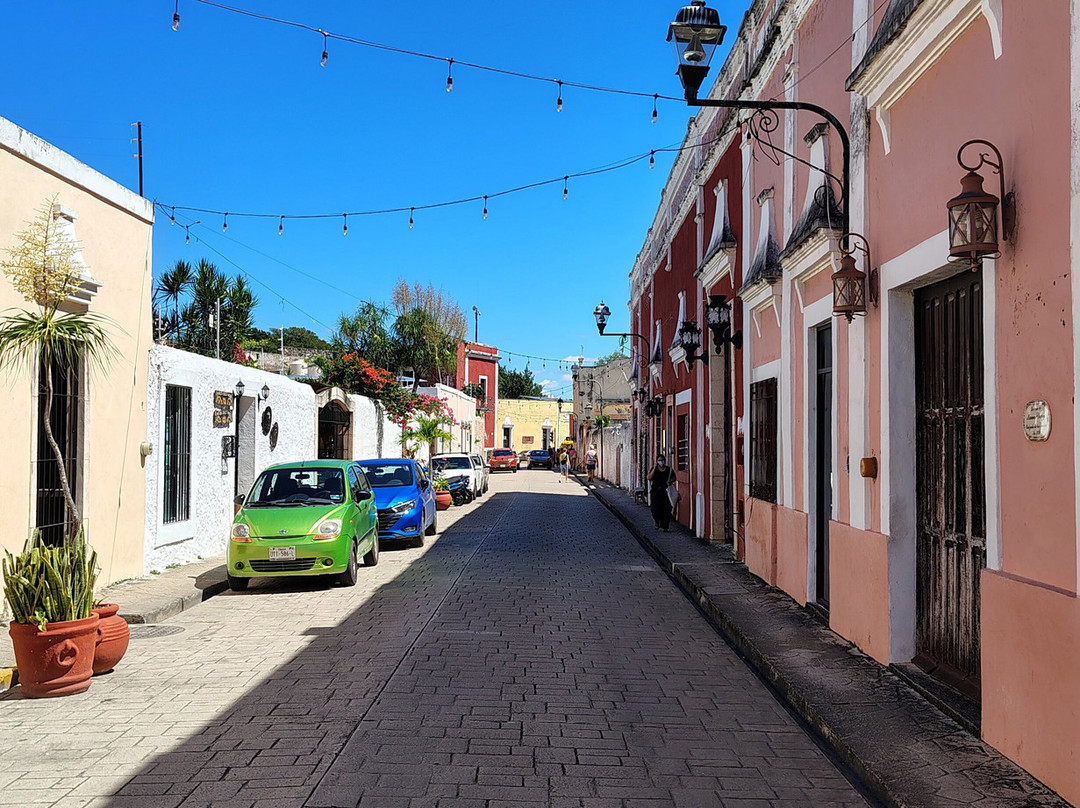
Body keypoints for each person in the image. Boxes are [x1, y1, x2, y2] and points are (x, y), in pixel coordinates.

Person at [647, 454, 675, 531]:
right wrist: (655, 468)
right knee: (655, 509)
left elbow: (674, 477)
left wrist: (670, 481)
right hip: (655, 492)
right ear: (657, 461)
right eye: (659, 460)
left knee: (666, 509)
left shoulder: (669, 470)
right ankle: (657, 521)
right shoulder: (654, 469)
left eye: (662, 460)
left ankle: (665, 526)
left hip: (665, 492)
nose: (661, 462)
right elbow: (649, 477)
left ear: (664, 461)